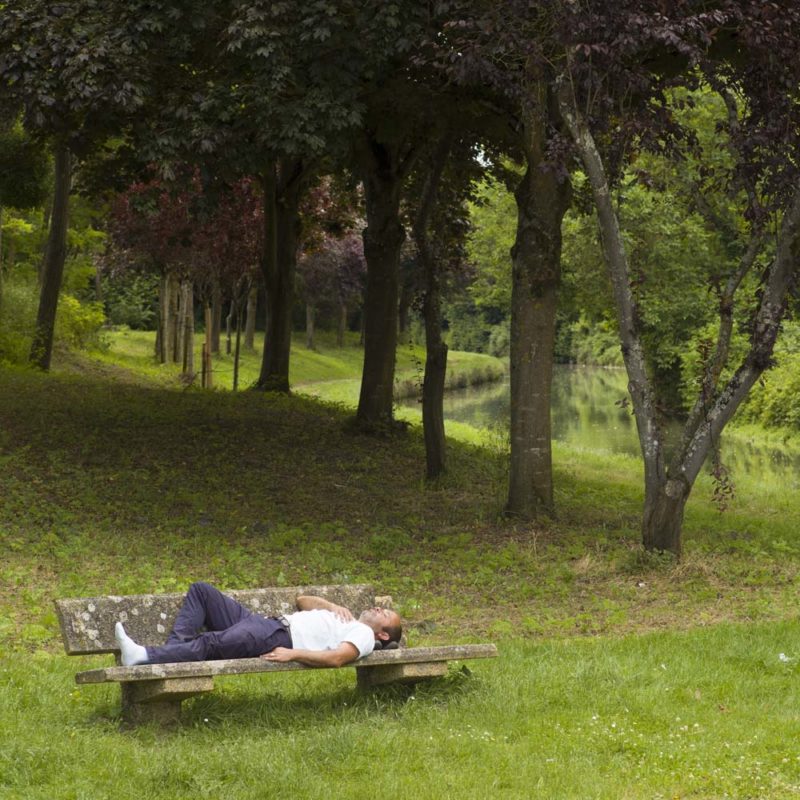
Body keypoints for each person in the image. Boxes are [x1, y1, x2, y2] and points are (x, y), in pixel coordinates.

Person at [114, 581, 402, 668]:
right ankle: (174, 654)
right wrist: (331, 605)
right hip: (265, 624)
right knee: (202, 592)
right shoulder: (348, 619)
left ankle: (143, 657)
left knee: (210, 644)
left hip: (277, 637)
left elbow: (338, 658)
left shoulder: (364, 635)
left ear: (383, 633)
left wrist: (294, 654)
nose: (380, 608)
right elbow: (302, 600)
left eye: (385, 613)